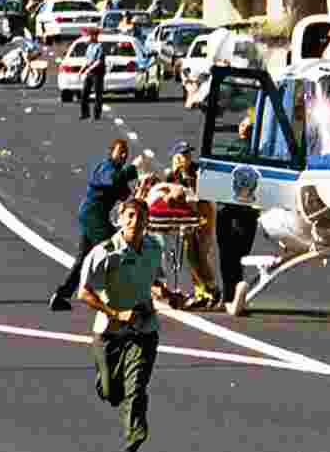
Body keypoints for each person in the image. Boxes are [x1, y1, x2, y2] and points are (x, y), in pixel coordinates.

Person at [77, 197, 171, 452]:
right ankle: (105, 383)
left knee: (136, 390)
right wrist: (116, 313)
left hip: (143, 330)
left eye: (141, 217)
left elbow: (155, 280)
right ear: (120, 218)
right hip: (109, 333)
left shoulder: (154, 248)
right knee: (111, 392)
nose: (136, 222)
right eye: (130, 216)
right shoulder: (104, 253)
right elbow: (85, 293)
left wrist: (165, 293)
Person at [49, 138, 142, 311]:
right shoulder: (105, 168)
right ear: (111, 152)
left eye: (126, 152)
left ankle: (61, 296)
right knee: (116, 249)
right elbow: (113, 181)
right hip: (93, 216)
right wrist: (132, 169)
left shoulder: (118, 172)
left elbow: (124, 195)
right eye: (120, 151)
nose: (123, 155)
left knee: (83, 259)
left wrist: (141, 185)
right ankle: (119, 297)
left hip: (95, 217)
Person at [144, 141, 220, 310]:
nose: (186, 158)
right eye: (182, 155)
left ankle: (212, 290)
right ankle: (201, 292)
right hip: (185, 223)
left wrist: (186, 181)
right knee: (191, 258)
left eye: (187, 154)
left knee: (200, 256)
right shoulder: (173, 175)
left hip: (202, 219)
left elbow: (200, 195)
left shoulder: (198, 172)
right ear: (175, 157)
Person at [216, 116, 260, 316]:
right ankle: (229, 295)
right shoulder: (257, 150)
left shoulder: (247, 149)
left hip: (237, 210)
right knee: (233, 256)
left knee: (232, 256)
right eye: (242, 125)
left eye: (248, 126)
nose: (244, 129)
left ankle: (230, 296)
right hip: (237, 210)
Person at [80, 28, 106, 121]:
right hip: (89, 73)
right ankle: (85, 113)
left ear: (95, 36)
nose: (88, 37)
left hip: (98, 74)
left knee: (98, 94)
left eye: (90, 35)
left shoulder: (100, 46)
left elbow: (99, 61)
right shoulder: (89, 46)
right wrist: (82, 70)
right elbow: (87, 61)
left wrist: (89, 69)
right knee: (84, 93)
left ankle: (96, 115)